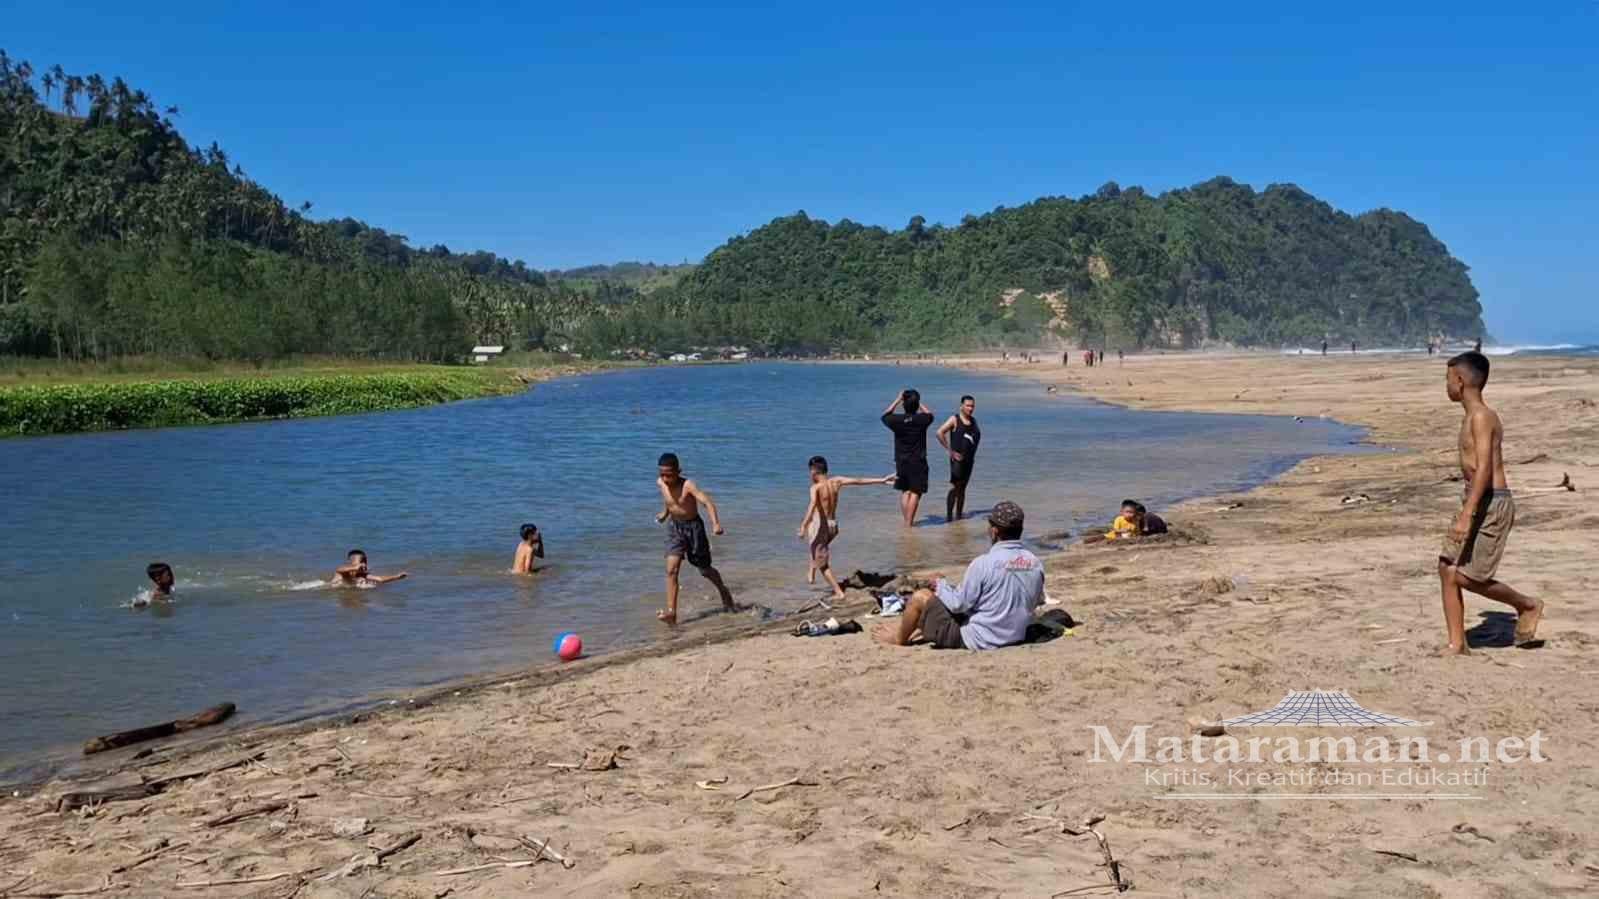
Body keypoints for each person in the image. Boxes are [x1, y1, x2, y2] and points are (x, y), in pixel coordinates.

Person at [1437, 352, 1544, 655]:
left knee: (1469, 577)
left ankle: (1527, 605)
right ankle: (1457, 644)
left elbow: (1484, 468)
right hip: (1474, 499)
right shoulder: (1470, 416)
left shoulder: (1483, 416)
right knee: (1446, 568)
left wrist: (1466, 514)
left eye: (1447, 379)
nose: (1445, 385)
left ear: (1459, 380)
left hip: (1491, 504)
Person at [873, 501, 1045, 650]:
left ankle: (898, 639)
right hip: (1015, 635)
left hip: (980, 639)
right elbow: (1036, 600)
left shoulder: (983, 563)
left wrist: (940, 585)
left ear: (994, 531)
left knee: (920, 598)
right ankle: (918, 626)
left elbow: (958, 605)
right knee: (956, 593)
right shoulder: (1035, 563)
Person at [655, 452, 736, 625]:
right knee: (671, 569)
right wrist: (665, 513)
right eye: (662, 474)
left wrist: (715, 524)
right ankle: (672, 613)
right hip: (674, 528)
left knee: (705, 570)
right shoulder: (661, 483)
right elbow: (669, 501)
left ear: (679, 471)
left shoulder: (688, 485)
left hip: (693, 529)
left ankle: (723, 590)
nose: (665, 478)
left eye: (669, 474)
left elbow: (707, 503)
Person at [797, 456, 893, 600]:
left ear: (813, 471)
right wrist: (882, 480)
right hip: (833, 526)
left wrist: (803, 526)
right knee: (817, 549)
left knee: (823, 564)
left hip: (821, 528)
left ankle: (838, 592)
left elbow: (811, 506)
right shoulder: (837, 481)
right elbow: (858, 481)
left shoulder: (815, 488)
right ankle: (811, 571)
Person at [882, 389, 935, 527]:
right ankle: (908, 524)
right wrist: (918, 402)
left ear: (904, 404)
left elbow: (885, 415)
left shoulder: (896, 420)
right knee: (916, 492)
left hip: (901, 460)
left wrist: (897, 399)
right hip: (918, 460)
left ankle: (907, 523)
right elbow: (930, 414)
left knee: (905, 490)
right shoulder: (922, 419)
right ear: (916, 404)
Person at [936, 395, 982, 522]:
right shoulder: (954, 419)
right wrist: (950, 451)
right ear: (961, 406)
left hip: (969, 460)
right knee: (955, 487)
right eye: (968, 405)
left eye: (972, 406)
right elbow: (939, 432)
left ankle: (959, 516)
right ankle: (949, 517)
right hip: (957, 460)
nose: (970, 408)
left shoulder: (974, 421)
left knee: (963, 488)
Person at [332, 549, 408, 587]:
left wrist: (397, 576)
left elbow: (379, 579)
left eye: (364, 562)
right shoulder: (343, 570)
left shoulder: (361, 574)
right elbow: (340, 570)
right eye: (361, 562)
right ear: (349, 562)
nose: (364, 565)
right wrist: (356, 567)